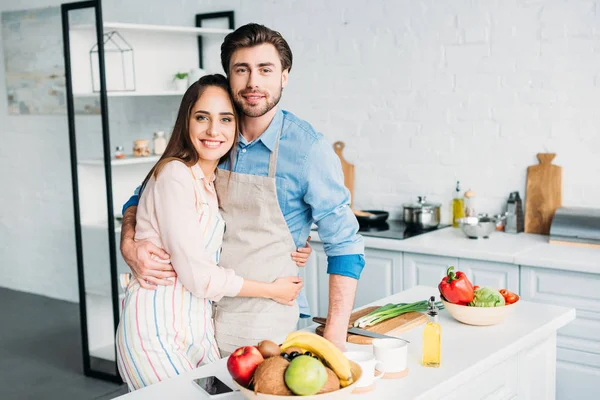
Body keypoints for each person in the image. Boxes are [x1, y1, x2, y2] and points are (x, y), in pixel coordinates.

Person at [120, 23, 365, 352]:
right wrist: (129, 241)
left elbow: (345, 244)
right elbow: (145, 193)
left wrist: (334, 335)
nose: (253, 83)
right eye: (242, 70)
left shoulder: (308, 150)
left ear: (284, 76)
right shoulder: (213, 133)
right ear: (228, 76)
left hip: (263, 316)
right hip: (195, 312)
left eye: (265, 70)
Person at [115, 74, 305, 391]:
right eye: (202, 117)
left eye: (225, 119)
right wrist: (273, 290)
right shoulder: (175, 174)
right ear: (186, 121)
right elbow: (199, 277)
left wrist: (297, 241)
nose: (213, 130)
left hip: (198, 333)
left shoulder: (210, 181)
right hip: (157, 332)